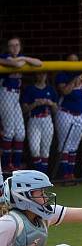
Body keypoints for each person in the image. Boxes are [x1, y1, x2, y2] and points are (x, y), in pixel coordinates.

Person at [0, 37, 43, 175]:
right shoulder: (4, 56)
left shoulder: (21, 57)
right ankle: (7, 164)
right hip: (5, 94)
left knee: (20, 133)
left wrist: (24, 58)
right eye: (11, 45)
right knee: (9, 131)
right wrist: (20, 61)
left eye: (17, 45)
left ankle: (16, 164)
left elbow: (39, 63)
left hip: (15, 96)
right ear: (7, 47)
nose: (14, 48)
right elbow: (17, 65)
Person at [55, 53, 82, 182]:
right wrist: (74, 81)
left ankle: (70, 174)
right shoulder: (62, 75)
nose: (74, 64)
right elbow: (64, 91)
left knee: (74, 145)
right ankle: (64, 174)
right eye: (71, 62)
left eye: (76, 62)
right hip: (65, 113)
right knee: (64, 145)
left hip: (80, 115)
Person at [21, 72, 57, 175]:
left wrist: (51, 103)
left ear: (46, 76)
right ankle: (40, 175)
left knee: (45, 151)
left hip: (47, 120)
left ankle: (42, 178)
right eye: (39, 74)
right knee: (34, 149)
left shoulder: (50, 89)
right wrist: (35, 104)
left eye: (44, 74)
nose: (41, 76)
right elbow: (24, 109)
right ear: (36, 75)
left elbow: (56, 109)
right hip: (34, 120)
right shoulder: (30, 89)